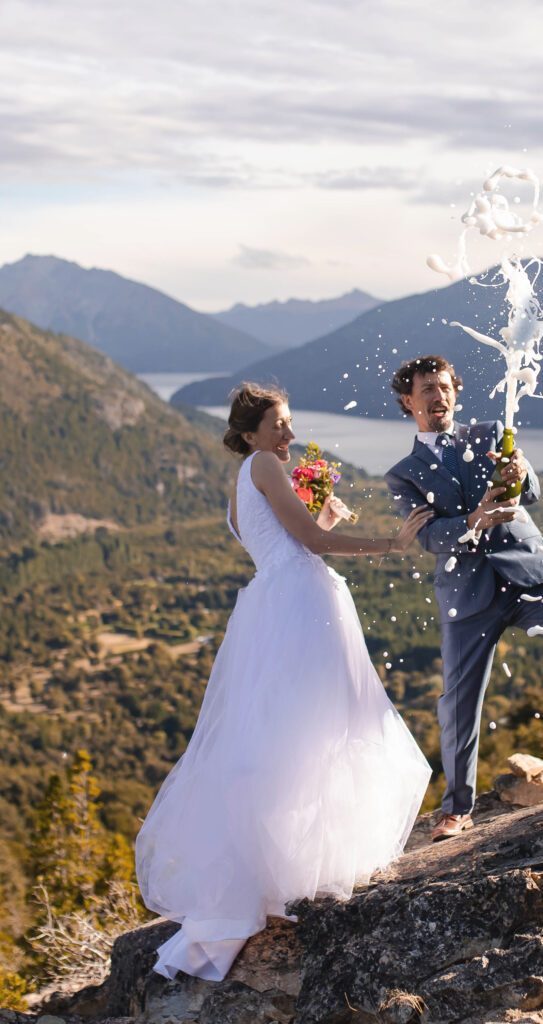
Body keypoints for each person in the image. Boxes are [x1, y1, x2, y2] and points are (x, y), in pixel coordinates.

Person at [135, 382, 433, 982]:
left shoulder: (243, 480)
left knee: (288, 734)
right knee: (318, 728)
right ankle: (301, 871)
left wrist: (321, 512)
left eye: (289, 423)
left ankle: (283, 871)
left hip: (277, 603)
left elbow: (285, 542)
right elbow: (314, 546)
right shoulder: (265, 464)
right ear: (250, 435)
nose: (288, 435)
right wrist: (394, 542)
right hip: (300, 604)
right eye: (278, 425)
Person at [383, 355, 543, 842]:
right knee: (458, 703)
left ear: (455, 391)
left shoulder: (492, 432)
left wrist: (522, 472)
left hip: (531, 573)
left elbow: (530, 492)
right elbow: (430, 538)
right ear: (408, 402)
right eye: (427, 389)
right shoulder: (402, 474)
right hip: (467, 592)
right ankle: (457, 808)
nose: (438, 396)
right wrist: (473, 521)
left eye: (444, 386)